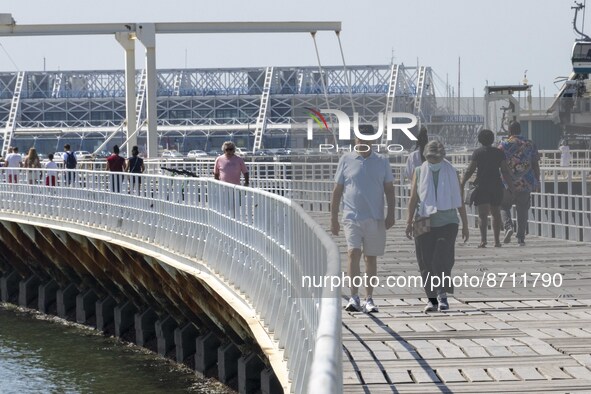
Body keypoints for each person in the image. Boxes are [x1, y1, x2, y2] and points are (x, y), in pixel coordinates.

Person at [331, 125, 396, 313]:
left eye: (367, 140)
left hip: (375, 217)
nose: (364, 143)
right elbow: (337, 191)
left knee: (371, 258)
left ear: (373, 141)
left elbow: (390, 189)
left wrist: (391, 213)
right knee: (353, 253)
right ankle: (354, 296)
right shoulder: (346, 159)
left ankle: (369, 298)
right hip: (351, 216)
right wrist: (333, 218)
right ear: (355, 140)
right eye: (360, 140)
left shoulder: (382, 161)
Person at [405, 140, 469, 312]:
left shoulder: (451, 172)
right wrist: (408, 221)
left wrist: (465, 224)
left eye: (436, 159)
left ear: (442, 157)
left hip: (448, 221)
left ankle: (442, 294)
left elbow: (459, 199)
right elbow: (413, 199)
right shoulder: (419, 171)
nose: (433, 162)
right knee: (425, 261)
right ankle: (432, 299)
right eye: (430, 159)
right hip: (422, 219)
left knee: (440, 259)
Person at [461, 129, 514, 248]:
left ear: (480, 140)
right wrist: (511, 187)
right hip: (496, 185)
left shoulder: (477, 153)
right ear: (492, 139)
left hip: (482, 186)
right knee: (496, 213)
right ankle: (496, 241)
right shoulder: (499, 153)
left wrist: (463, 182)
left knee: (482, 214)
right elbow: (505, 171)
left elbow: (470, 170)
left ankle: (483, 240)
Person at [498, 121, 540, 246]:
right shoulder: (530, 144)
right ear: (520, 130)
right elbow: (535, 164)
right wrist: (537, 180)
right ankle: (521, 237)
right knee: (522, 210)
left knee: (504, 206)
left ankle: (508, 227)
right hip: (526, 182)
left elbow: (498, 163)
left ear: (509, 131)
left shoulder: (503, 144)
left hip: (507, 182)